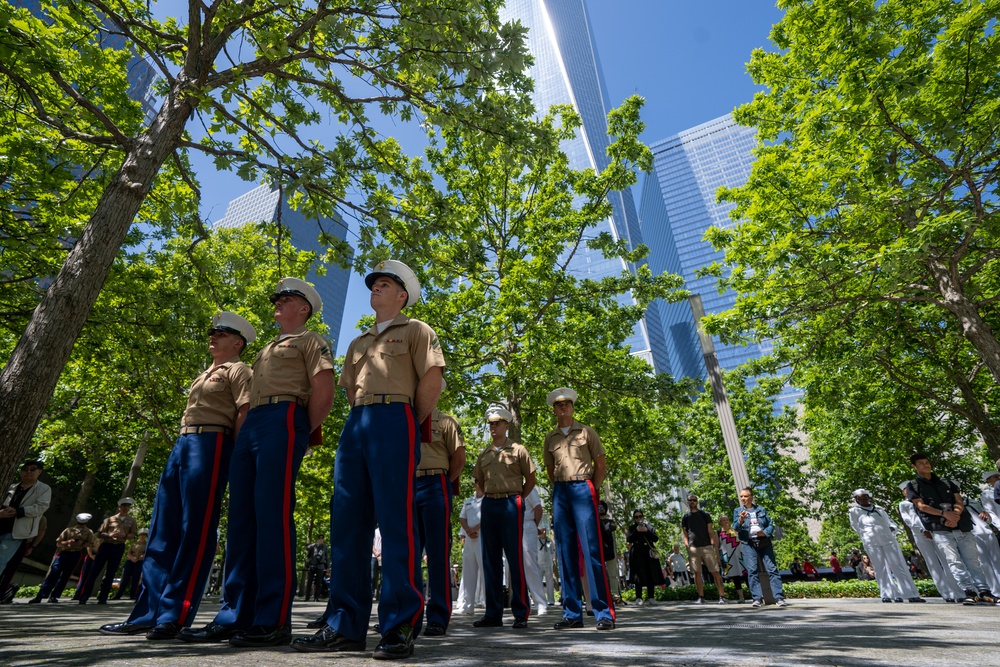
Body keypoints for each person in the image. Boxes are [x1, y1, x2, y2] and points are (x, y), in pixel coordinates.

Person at [293, 260, 443, 660]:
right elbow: (348, 390)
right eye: (374, 283)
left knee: (396, 524)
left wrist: (408, 419)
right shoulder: (358, 343)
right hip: (357, 422)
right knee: (347, 524)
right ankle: (344, 623)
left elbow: (432, 381)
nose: (376, 287)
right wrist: (365, 414)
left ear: (402, 295)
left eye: (385, 283)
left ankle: (399, 626)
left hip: (397, 418)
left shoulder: (417, 330)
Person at [183, 281, 335, 646]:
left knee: (273, 515)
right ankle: (236, 614)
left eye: (287, 300)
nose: (278, 305)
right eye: (278, 300)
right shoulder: (265, 349)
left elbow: (323, 389)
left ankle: (273, 619)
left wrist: (300, 430)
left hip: (284, 418)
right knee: (241, 520)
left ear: (304, 309)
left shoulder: (311, 340)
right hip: (253, 426)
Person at [101, 312, 255, 639]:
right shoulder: (205, 374)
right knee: (162, 530)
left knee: (195, 530)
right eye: (211, 331)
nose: (212, 336)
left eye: (221, 333)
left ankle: (175, 614)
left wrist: (239, 457)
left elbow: (245, 412)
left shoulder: (240, 370)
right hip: (183, 443)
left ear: (237, 342)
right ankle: (147, 613)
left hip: (212, 443)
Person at [543, 387, 615, 631]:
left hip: (584, 489)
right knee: (564, 553)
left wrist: (591, 490)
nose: (563, 408)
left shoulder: (587, 431)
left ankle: (603, 612)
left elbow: (601, 463)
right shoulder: (550, 437)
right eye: (559, 405)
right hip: (561, 492)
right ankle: (572, 613)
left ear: (573, 407)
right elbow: (549, 469)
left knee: (591, 550)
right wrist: (562, 487)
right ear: (553, 410)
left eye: (567, 404)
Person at [469, 403, 536, 630]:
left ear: (506, 425)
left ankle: (520, 613)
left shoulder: (518, 450)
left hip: (511, 503)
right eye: (490, 424)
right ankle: (493, 614)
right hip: (489, 505)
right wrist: (488, 496)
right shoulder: (485, 453)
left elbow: (531, 478)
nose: (493, 427)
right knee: (490, 561)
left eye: (497, 423)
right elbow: (477, 479)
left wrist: (518, 498)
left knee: (515, 559)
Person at [904, 452, 997, 605]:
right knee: (954, 561)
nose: (926, 465)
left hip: (962, 525)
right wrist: (944, 514)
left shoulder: (946, 482)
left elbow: (958, 501)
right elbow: (921, 506)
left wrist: (955, 515)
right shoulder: (913, 485)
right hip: (940, 528)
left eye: (927, 462)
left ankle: (984, 591)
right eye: (921, 463)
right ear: (914, 466)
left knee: (973, 561)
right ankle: (969, 592)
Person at [414, 395, 466, 636]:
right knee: (406, 553)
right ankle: (406, 616)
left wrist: (444, 480)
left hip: (436, 483)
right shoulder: (405, 420)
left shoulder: (446, 422)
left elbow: (459, 458)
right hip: (408, 485)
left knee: (437, 553)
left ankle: (438, 617)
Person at [847, 488, 923, 603]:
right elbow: (856, 526)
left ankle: (910, 593)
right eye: (860, 497)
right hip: (871, 541)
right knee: (880, 567)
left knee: (898, 565)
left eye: (865, 496)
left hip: (888, 539)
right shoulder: (854, 511)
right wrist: (867, 534)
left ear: (869, 497)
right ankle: (888, 594)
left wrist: (891, 528)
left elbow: (890, 522)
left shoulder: (879, 509)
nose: (863, 499)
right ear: (857, 499)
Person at [897, 482, 962, 602]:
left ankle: (958, 591)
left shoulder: (923, 500)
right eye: (905, 490)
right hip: (920, 534)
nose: (908, 491)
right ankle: (946, 594)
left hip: (935, 530)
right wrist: (923, 529)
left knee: (946, 560)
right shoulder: (903, 504)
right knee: (932, 563)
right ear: (903, 492)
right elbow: (909, 520)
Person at [732, 487, 787, 608]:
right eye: (741, 496)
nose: (743, 499)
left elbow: (771, 524)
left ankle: (779, 597)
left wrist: (765, 533)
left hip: (764, 541)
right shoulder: (737, 511)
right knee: (752, 571)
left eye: (745, 496)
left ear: (751, 497)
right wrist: (741, 519)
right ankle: (757, 598)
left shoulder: (761, 509)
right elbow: (735, 528)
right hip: (748, 543)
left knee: (772, 569)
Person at [78, 498, 138, 605]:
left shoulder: (132, 521)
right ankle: (84, 596)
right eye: (124, 506)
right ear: (119, 507)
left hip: (119, 546)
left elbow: (133, 534)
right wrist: (109, 534)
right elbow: (100, 532)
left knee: (111, 572)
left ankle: (103, 598)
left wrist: (125, 535)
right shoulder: (110, 519)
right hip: (106, 545)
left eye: (128, 506)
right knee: (94, 571)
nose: (126, 508)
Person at [0, 461, 51, 576]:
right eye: (25, 469)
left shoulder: (43, 489)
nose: (28, 472)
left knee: (1, 560)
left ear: (39, 472)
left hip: (15, 533)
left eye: (32, 469)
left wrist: (19, 511)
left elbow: (41, 507)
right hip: (1, 526)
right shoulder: (12, 487)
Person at [30, 513, 95, 603]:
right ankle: (41, 595)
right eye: (80, 522)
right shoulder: (68, 530)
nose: (81, 523)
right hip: (64, 553)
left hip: (76, 554)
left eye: (83, 522)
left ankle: (54, 596)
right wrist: (68, 542)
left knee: (66, 576)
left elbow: (90, 544)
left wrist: (81, 543)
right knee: (54, 572)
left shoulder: (89, 532)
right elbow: (58, 543)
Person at [682, 494, 726, 604]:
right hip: (693, 548)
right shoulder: (685, 517)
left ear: (697, 502)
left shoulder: (705, 515)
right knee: (697, 573)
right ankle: (701, 597)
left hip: (707, 546)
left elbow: (710, 531)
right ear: (687, 502)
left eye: (694, 500)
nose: (692, 502)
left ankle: (721, 596)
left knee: (714, 571)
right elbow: (685, 534)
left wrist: (712, 544)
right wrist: (687, 546)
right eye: (690, 500)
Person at [0, 514, 46, 603]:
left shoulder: (40, 517)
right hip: (7, 539)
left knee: (10, 570)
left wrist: (32, 547)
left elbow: (41, 532)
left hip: (23, 543)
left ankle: (2, 594)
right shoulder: (15, 511)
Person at [455, 490, 485, 614]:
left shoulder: (488, 499)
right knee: (468, 572)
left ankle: (489, 603)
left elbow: (488, 517)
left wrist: (475, 529)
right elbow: (462, 517)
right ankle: (468, 605)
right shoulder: (468, 501)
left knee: (485, 571)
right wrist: (468, 530)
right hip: (469, 539)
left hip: (482, 537)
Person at [626, 509, 664, 605]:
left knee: (650, 574)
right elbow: (629, 539)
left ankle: (651, 597)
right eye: (636, 517)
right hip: (637, 554)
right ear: (634, 518)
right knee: (637, 576)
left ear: (643, 517)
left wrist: (646, 531)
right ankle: (638, 597)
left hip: (648, 553)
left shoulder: (648, 527)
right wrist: (636, 531)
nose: (638, 518)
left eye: (640, 516)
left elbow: (655, 538)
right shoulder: (632, 528)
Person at [521, 487, 548, 616]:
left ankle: (540, 603)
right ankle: (523, 603)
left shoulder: (529, 489)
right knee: (514, 566)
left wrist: (533, 525)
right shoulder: (508, 488)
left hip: (527, 525)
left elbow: (538, 508)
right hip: (511, 527)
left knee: (530, 564)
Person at [113, 528, 148, 600]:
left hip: (139, 561)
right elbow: (128, 553)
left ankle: (132, 595)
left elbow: (147, 553)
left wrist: (142, 556)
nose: (142, 536)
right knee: (125, 578)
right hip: (131, 561)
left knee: (136, 578)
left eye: (144, 535)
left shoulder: (147, 544)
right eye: (141, 535)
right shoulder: (134, 543)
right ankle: (119, 594)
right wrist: (132, 558)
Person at [717, 514, 745, 602]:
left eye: (727, 519)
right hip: (727, 558)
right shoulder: (718, 533)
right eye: (723, 520)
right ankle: (740, 597)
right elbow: (717, 547)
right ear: (720, 522)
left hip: (739, 556)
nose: (726, 521)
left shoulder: (734, 530)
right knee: (734, 577)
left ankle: (756, 596)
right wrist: (718, 558)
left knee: (746, 574)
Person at [597, 501, 621, 604]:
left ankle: (616, 595)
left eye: (602, 507)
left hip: (609, 552)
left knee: (612, 574)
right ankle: (602, 595)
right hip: (598, 551)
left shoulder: (610, 522)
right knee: (600, 574)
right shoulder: (594, 521)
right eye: (599, 507)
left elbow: (610, 529)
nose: (601, 509)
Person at [304, 534, 330, 602]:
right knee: (309, 582)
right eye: (319, 538)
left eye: (322, 538)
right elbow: (307, 548)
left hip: (320, 566)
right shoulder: (313, 546)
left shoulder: (324, 547)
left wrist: (328, 567)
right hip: (312, 565)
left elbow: (327, 557)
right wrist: (314, 544)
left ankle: (316, 597)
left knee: (319, 582)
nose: (321, 539)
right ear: (317, 539)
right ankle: (307, 597)